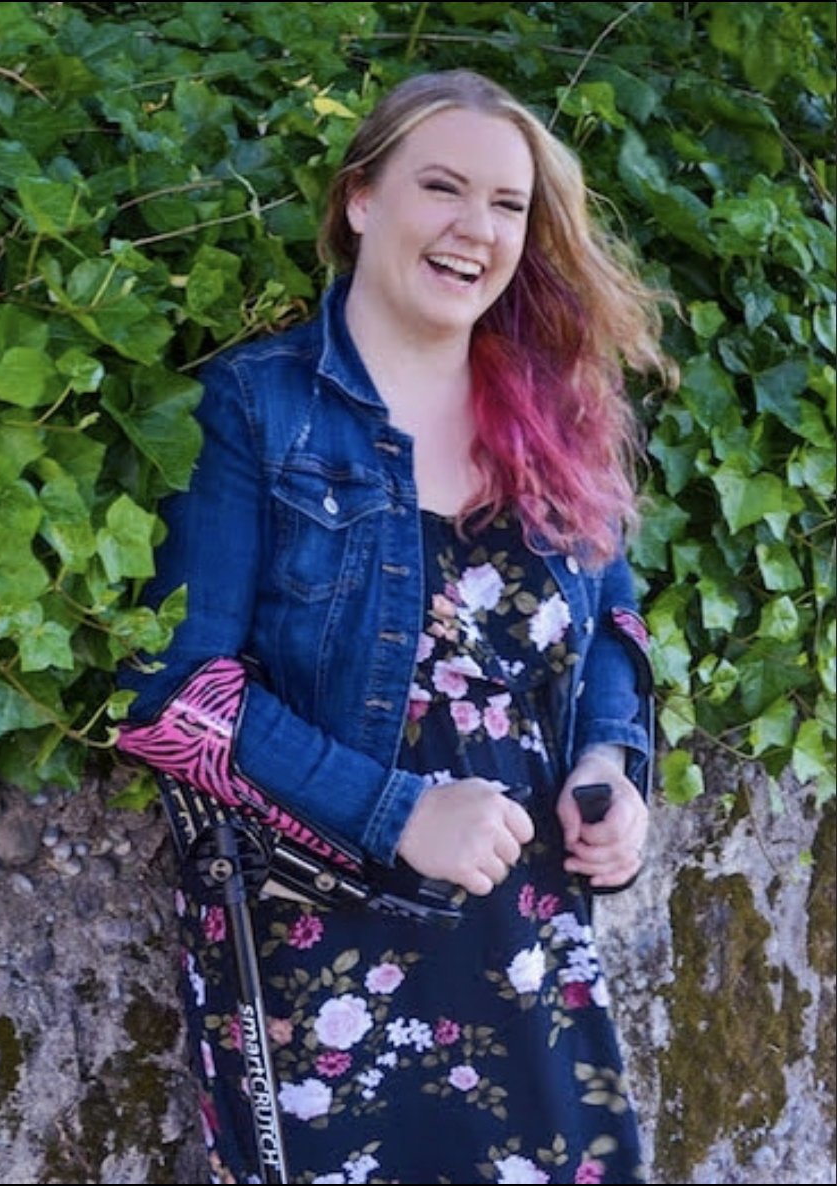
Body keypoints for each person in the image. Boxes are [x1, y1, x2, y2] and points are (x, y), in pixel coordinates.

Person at [116, 67, 677, 1185]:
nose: (477, 228)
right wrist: (399, 812)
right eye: (442, 187)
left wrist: (615, 763)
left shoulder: (554, 409)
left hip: (528, 940)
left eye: (508, 205)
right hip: (324, 951)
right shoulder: (253, 407)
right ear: (360, 198)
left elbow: (614, 615)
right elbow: (172, 700)